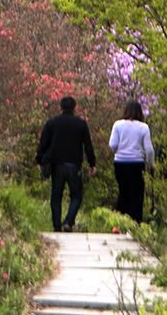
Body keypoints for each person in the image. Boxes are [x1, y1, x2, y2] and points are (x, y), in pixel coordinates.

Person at [36, 94, 97, 232]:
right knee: (77, 196)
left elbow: (43, 143)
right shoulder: (81, 124)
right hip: (74, 166)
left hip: (56, 165)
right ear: (75, 108)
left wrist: (39, 160)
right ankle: (68, 221)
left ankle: (57, 226)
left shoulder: (52, 122)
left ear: (60, 107)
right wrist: (92, 163)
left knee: (56, 196)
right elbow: (88, 145)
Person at [109, 100, 155, 224]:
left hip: (120, 163)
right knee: (136, 194)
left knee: (123, 192)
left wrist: (119, 150)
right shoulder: (143, 127)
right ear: (140, 112)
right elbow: (149, 149)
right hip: (136, 163)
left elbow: (112, 145)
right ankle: (135, 223)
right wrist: (151, 164)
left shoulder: (118, 125)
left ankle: (118, 224)